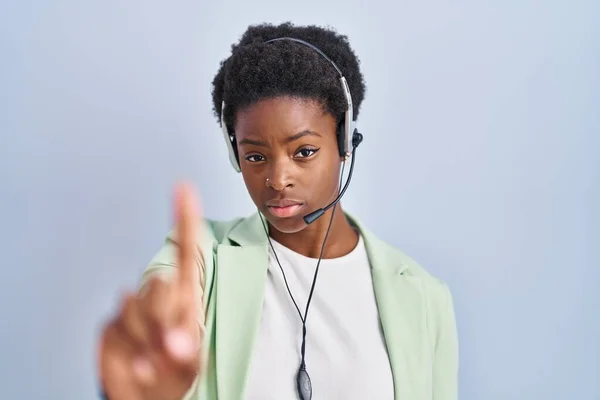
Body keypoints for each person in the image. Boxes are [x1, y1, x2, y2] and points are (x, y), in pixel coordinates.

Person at [97, 22, 459, 400]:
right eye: (255, 156)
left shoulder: (424, 297)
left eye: (304, 151)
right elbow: (166, 301)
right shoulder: (203, 258)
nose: (277, 178)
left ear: (344, 141)